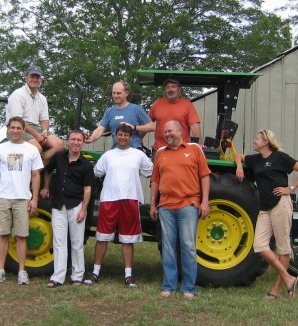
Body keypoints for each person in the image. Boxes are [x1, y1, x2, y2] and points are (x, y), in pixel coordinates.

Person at [235, 129, 298, 299]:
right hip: (265, 207)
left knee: (283, 248)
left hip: (280, 205)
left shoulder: (280, 157)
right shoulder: (256, 159)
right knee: (259, 246)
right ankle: (289, 278)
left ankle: (276, 291)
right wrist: (239, 166)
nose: (254, 141)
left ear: (266, 141)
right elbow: (239, 156)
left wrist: (290, 189)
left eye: (257, 139)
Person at [84, 124, 153, 288]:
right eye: (120, 135)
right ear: (116, 136)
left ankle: (128, 275)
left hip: (130, 199)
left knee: (128, 239)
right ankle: (95, 272)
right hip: (109, 199)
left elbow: (153, 172)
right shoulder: (108, 156)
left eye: (126, 135)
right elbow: (94, 173)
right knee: (102, 238)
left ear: (131, 137)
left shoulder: (139, 155)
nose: (122, 138)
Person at [150, 120, 211, 299]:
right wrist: (153, 203)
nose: (167, 134)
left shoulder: (194, 149)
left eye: (170, 131)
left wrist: (205, 201)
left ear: (179, 130)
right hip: (166, 207)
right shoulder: (160, 153)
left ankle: (188, 288)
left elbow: (204, 176)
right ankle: (168, 286)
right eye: (164, 132)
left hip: (188, 205)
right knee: (168, 248)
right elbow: (155, 180)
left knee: (188, 246)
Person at [0, 116, 44, 285]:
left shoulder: (31, 150)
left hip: (22, 198)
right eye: (12, 127)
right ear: (8, 128)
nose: (15, 131)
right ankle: (1, 270)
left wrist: (34, 198)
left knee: (21, 236)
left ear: (24, 129)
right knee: (3, 234)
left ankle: (22, 271)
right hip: (4, 196)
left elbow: (35, 175)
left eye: (19, 128)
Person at [40, 130, 95, 288]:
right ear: (68, 142)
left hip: (76, 205)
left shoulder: (85, 165)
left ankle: (77, 276)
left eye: (79, 140)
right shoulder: (58, 157)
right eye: (73, 139)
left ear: (82, 143)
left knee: (77, 242)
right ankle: (58, 277)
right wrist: (45, 187)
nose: (76, 142)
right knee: (59, 242)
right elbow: (48, 171)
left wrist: (84, 209)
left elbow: (87, 190)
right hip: (58, 204)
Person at [6, 65, 65, 166]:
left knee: (59, 145)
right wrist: (37, 135)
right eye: (32, 76)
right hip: (18, 129)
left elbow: (44, 120)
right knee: (36, 148)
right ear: (26, 77)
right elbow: (17, 122)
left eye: (37, 77)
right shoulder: (18, 94)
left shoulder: (42, 98)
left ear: (40, 79)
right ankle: (28, 176)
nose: (34, 79)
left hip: (35, 129)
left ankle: (40, 168)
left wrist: (44, 132)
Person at [85, 81, 155, 149]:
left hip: (134, 149)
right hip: (117, 150)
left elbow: (152, 127)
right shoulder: (109, 112)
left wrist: (134, 127)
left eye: (118, 93)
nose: (115, 96)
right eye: (113, 93)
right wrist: (91, 138)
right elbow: (100, 129)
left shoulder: (136, 109)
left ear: (126, 93)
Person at [142, 78, 202, 155]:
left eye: (173, 87)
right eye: (168, 87)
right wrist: (139, 139)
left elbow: (194, 126)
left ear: (179, 89)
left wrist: (198, 145)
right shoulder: (157, 103)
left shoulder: (187, 105)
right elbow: (147, 123)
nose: (170, 89)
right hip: (159, 149)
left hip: (181, 149)